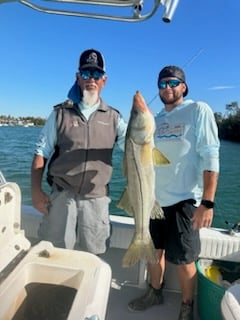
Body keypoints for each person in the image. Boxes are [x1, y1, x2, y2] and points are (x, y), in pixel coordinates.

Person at [128, 66, 220, 320]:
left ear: (183, 87)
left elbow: (211, 154)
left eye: (172, 82)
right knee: (152, 251)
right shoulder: (155, 118)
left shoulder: (197, 109)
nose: (166, 87)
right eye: (162, 84)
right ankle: (154, 291)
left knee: (184, 260)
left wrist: (207, 202)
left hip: (186, 200)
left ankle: (187, 305)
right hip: (153, 199)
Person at [31, 48, 127, 254]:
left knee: (93, 256)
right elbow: (41, 153)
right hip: (61, 197)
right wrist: (36, 192)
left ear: (104, 80)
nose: (91, 79)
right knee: (55, 254)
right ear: (78, 78)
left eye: (96, 74)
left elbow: (134, 147)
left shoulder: (115, 118)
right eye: (85, 73)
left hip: (97, 198)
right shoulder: (59, 114)